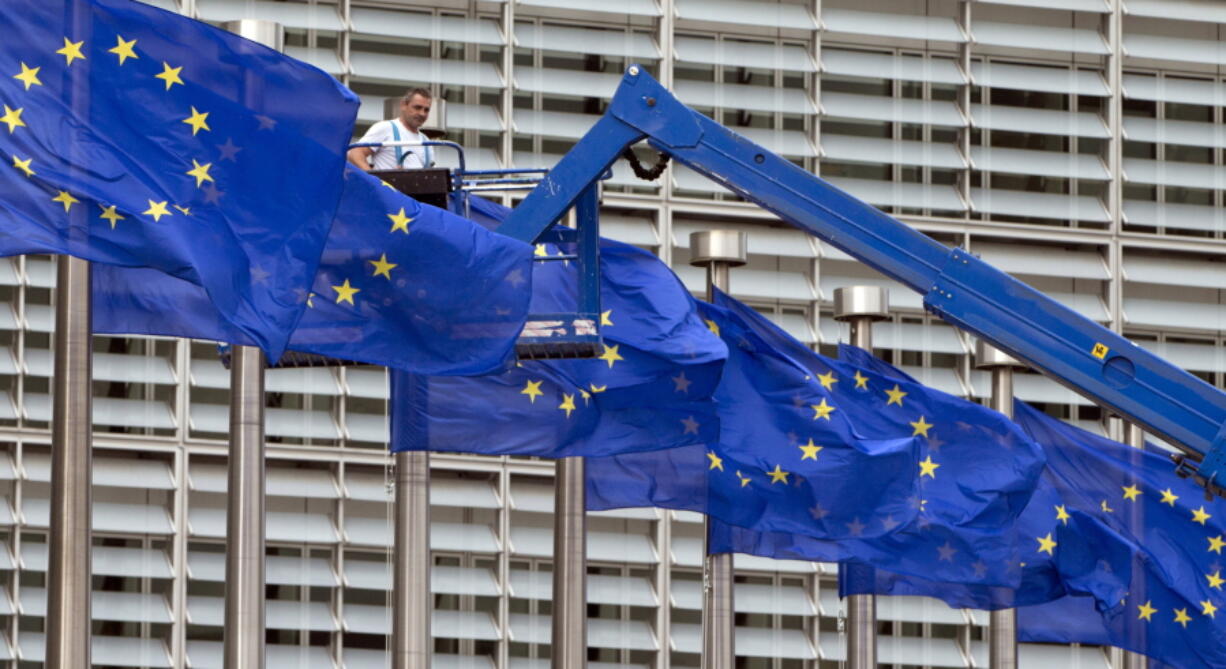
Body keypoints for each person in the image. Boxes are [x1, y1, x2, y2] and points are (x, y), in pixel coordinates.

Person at [348, 87, 434, 171]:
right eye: (417, 107)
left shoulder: (426, 141)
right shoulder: (386, 128)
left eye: (426, 110)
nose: (422, 113)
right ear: (403, 105)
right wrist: (375, 181)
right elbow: (354, 153)